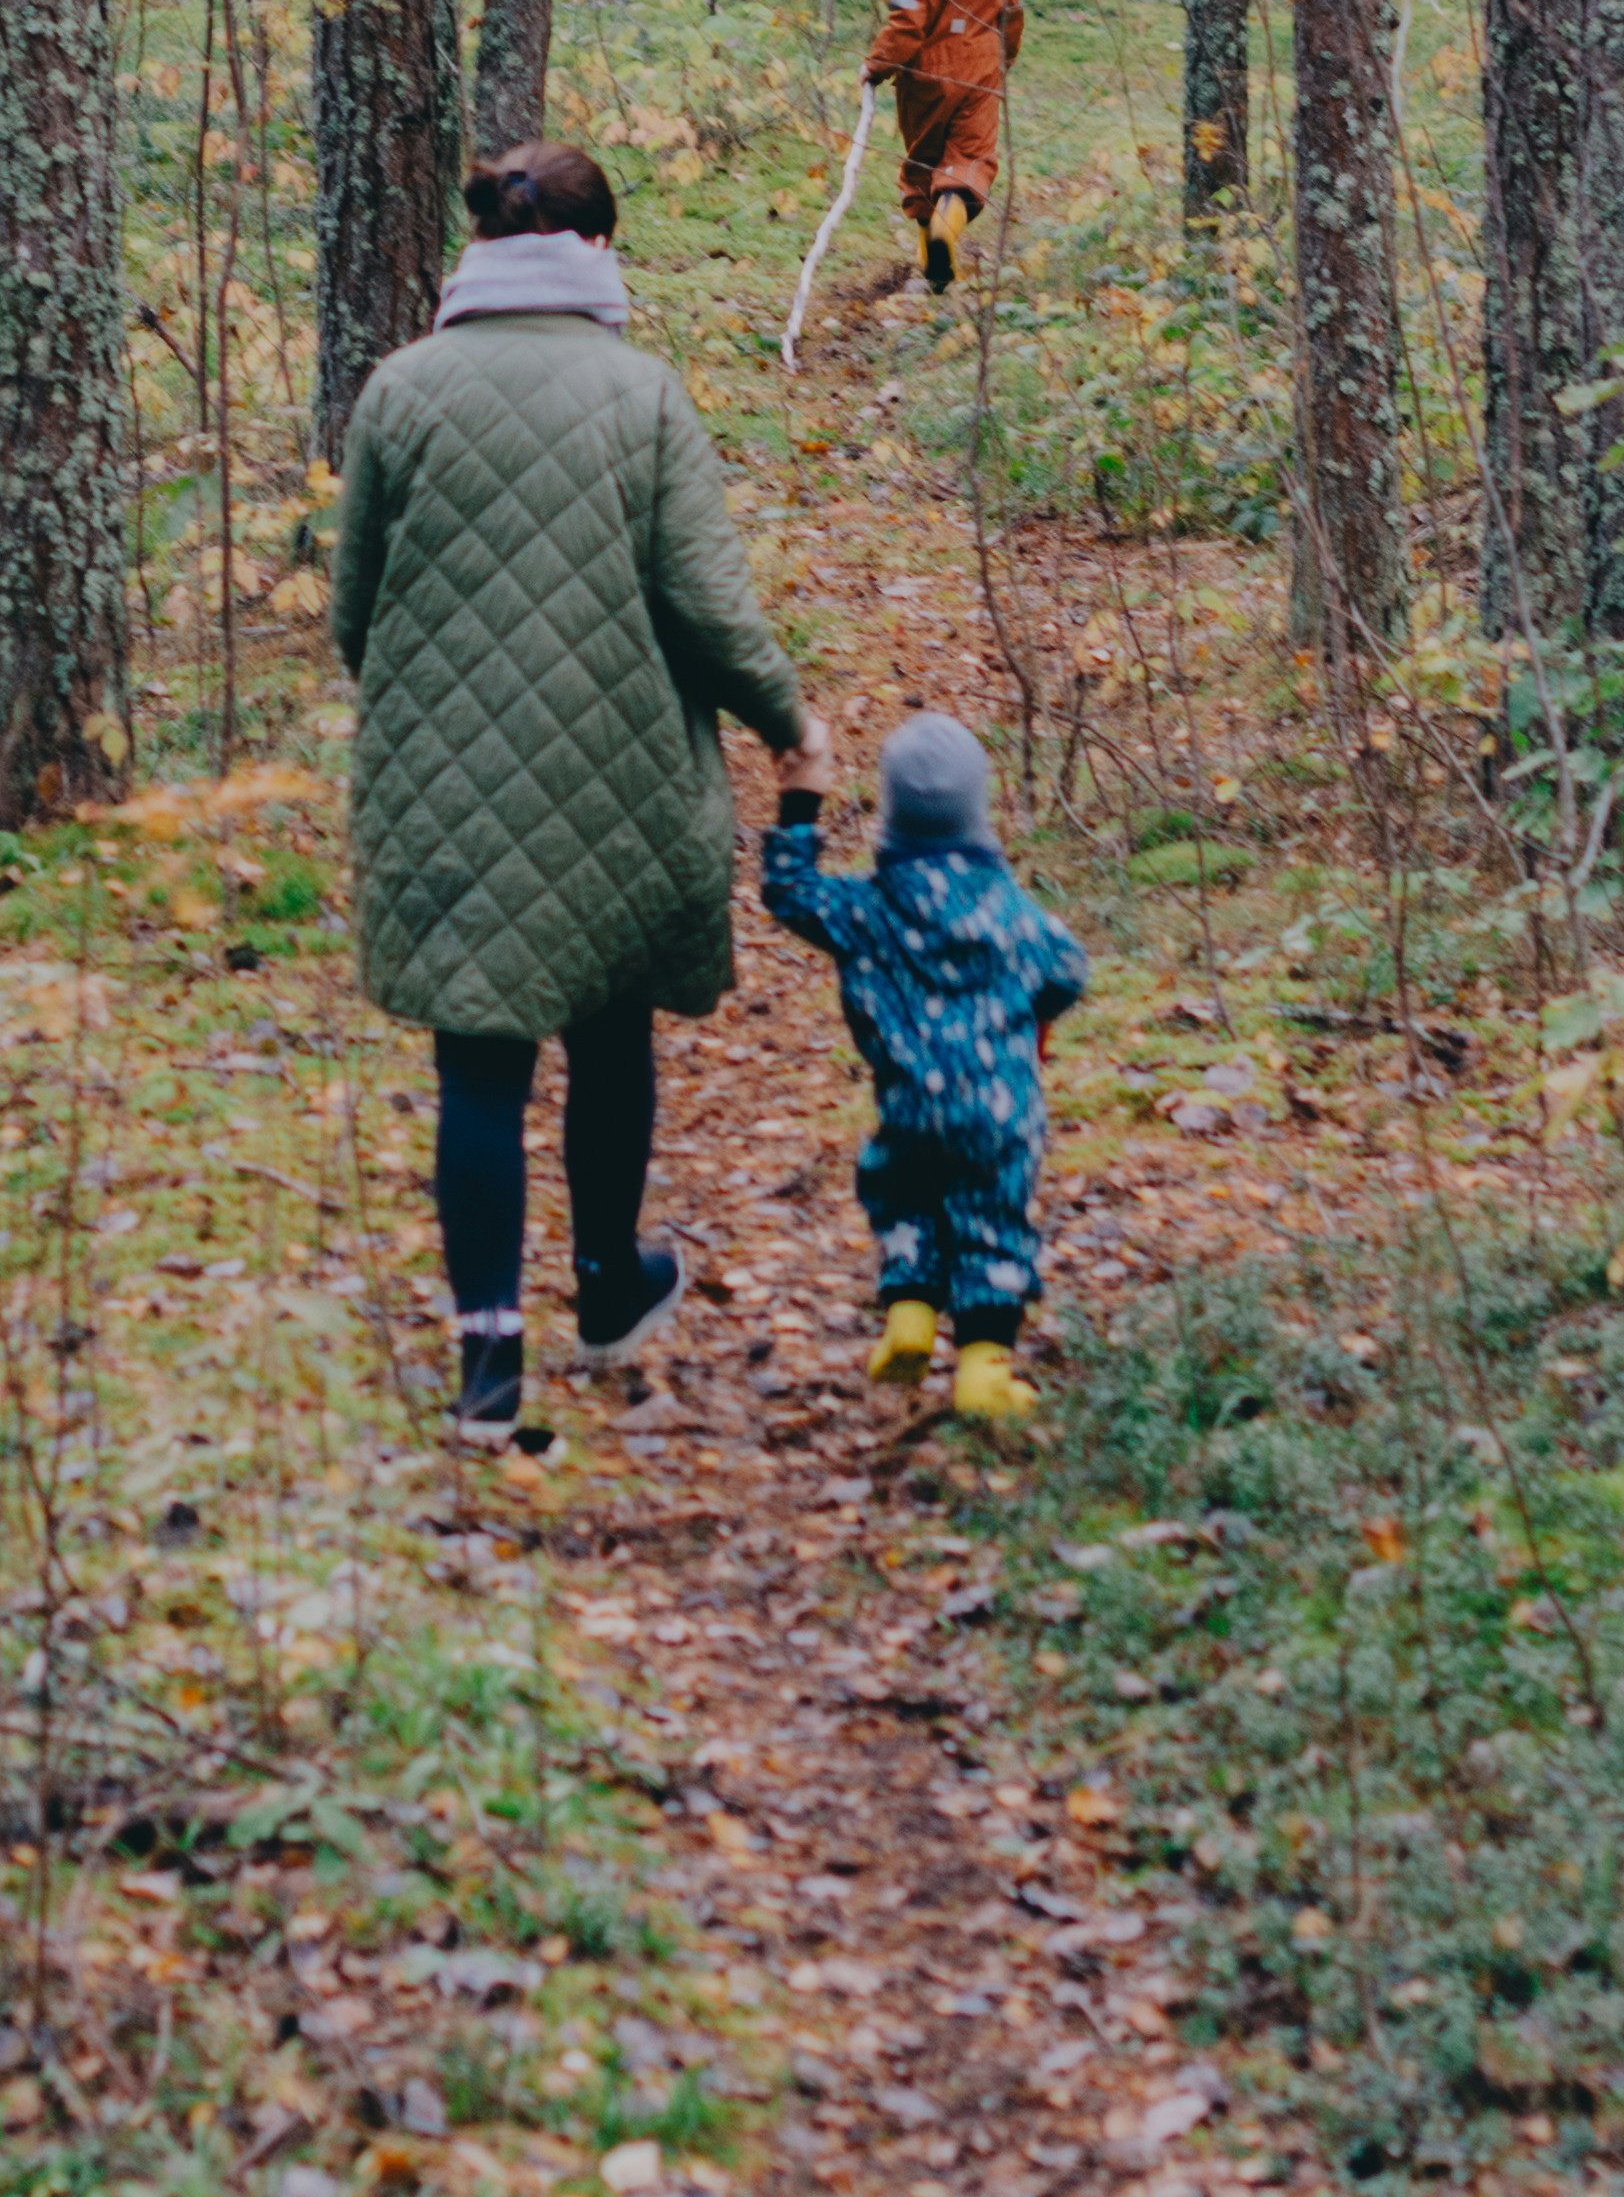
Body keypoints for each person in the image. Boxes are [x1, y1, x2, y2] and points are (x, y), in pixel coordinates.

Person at [333, 139, 810, 1447]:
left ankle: (489, 1369)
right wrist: (787, 721)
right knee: (609, 1035)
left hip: (443, 781)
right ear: (595, 252)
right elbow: (707, 609)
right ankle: (606, 1291)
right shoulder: (641, 393)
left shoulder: (401, 391)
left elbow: (354, 615)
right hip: (621, 777)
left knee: (476, 1065)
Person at [762, 706, 1086, 1430]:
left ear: (890, 815)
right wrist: (1033, 1010)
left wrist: (799, 801)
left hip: (908, 1106)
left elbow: (790, 893)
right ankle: (983, 1369)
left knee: (904, 1197)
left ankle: (909, 1316)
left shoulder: (865, 908)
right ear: (979, 810)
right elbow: (1068, 970)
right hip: (1001, 1112)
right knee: (992, 1221)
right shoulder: (1010, 909)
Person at [865, 0, 1023, 292]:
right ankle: (942, 238)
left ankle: (929, 264)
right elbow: (1012, 13)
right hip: (980, 76)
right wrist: (1002, 59)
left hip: (925, 83)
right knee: (967, 163)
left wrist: (878, 65)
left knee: (922, 167)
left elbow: (905, 26)